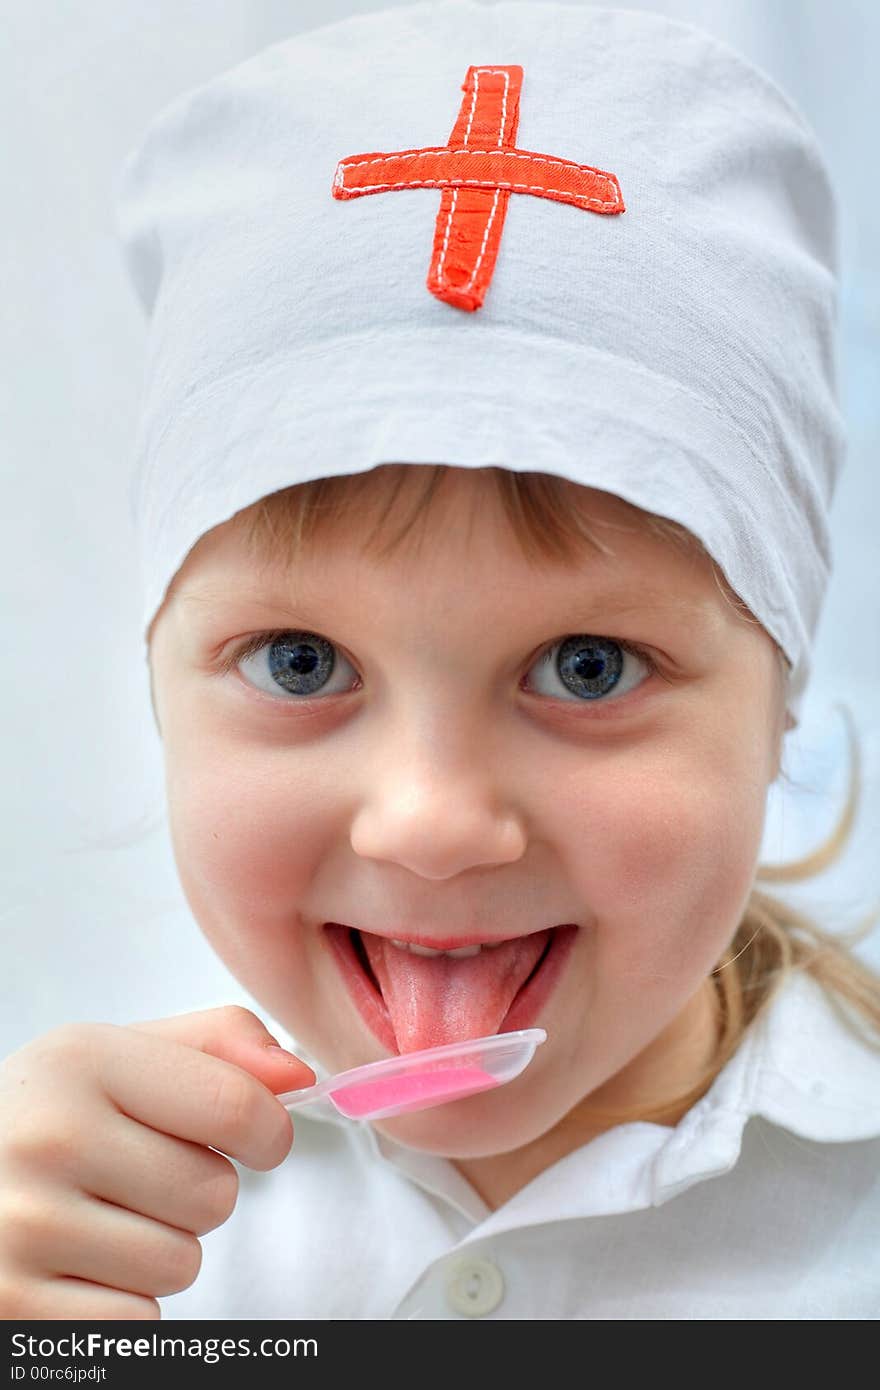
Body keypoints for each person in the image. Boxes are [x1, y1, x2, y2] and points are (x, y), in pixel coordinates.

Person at [2, 1, 879, 1320]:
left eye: (588, 665)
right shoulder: (95, 1244)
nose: (430, 822)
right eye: (299, 662)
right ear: (156, 687)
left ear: (781, 701)